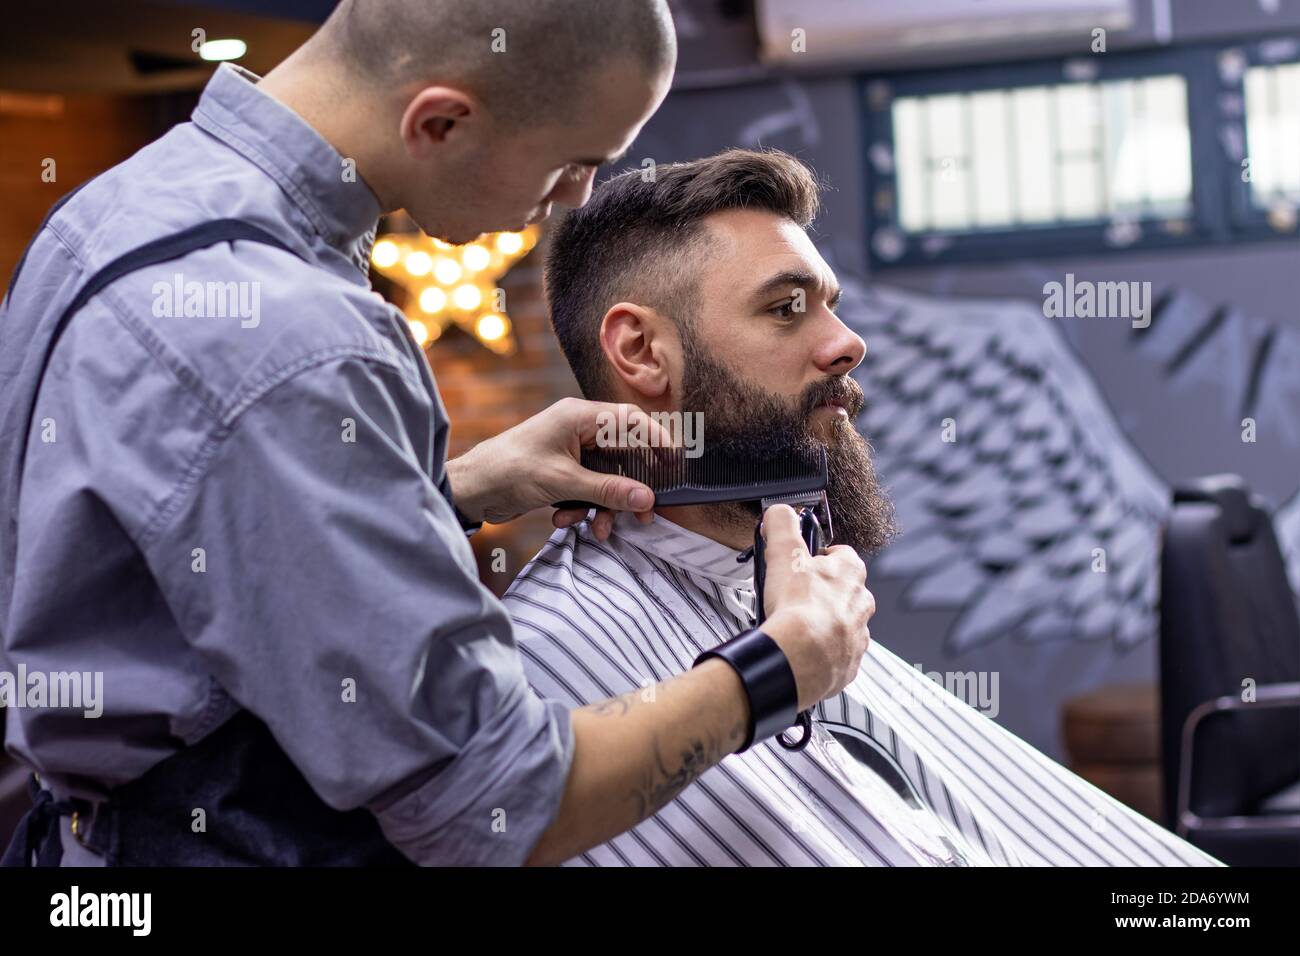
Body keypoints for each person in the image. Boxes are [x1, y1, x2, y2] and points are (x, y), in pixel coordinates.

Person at [0, 2, 873, 867]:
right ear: (443, 120)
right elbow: (490, 806)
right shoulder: (294, 335)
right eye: (575, 162)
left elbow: (184, 547)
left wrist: (453, 490)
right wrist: (778, 667)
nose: (577, 196)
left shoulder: (118, 212)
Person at [504, 148, 1222, 865]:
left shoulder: (783, 586)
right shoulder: (546, 654)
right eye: (787, 308)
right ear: (641, 351)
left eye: (831, 307)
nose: (849, 345)